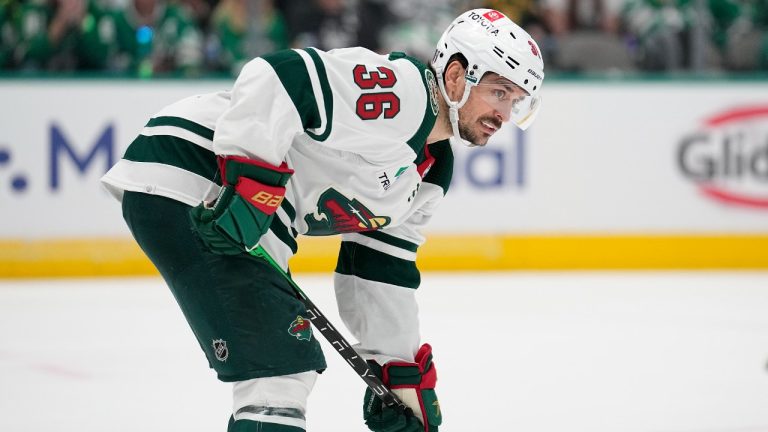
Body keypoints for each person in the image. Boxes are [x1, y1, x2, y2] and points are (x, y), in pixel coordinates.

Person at [100, 8, 544, 432]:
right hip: (195, 176)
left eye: (515, 101)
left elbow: (379, 270)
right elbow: (278, 77)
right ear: (454, 76)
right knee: (279, 374)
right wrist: (250, 181)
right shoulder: (403, 92)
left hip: (228, 209)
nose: (503, 115)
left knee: (279, 375)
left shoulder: (433, 169)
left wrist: (400, 370)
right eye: (498, 93)